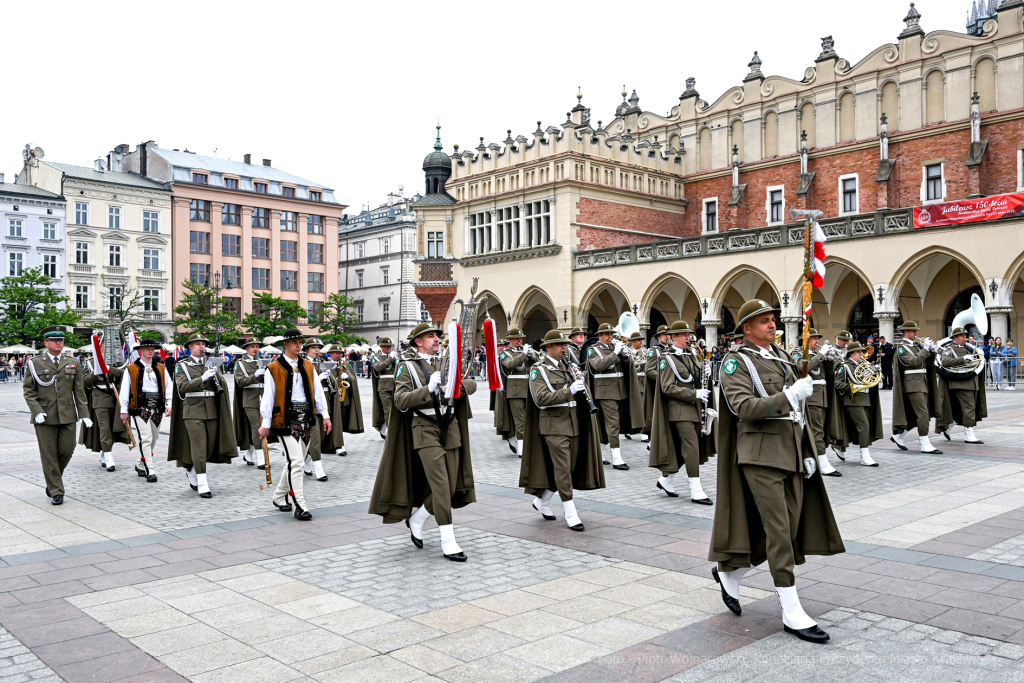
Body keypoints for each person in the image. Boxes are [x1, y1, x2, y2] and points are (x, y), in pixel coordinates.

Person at [709, 300, 843, 645]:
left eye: (772, 320)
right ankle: (791, 610)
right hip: (760, 455)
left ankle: (730, 571)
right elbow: (743, 407)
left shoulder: (780, 356)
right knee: (780, 532)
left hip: (790, 452)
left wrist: (807, 451)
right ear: (746, 329)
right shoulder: (736, 361)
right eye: (764, 321)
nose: (772, 325)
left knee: (789, 525)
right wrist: (788, 395)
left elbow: (798, 414)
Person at [368, 322, 477, 561]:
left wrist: (457, 385)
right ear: (418, 341)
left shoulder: (445, 362)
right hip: (424, 427)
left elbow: (472, 382)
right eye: (431, 337)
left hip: (450, 427)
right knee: (439, 484)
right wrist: (428, 389)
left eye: (437, 336)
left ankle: (417, 518)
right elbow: (400, 400)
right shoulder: (406, 366)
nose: (437, 340)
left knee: (448, 486)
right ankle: (449, 542)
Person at [520, 329, 604, 530]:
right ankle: (570, 511)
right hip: (553, 425)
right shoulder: (538, 370)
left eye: (565, 345)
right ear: (548, 347)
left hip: (573, 423)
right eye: (560, 345)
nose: (564, 348)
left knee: (569, 468)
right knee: (563, 469)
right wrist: (570, 391)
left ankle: (542, 501)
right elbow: (540, 399)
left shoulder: (569, 366)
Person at [259, 329, 331, 520]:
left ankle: (278, 496)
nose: (298, 345)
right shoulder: (273, 368)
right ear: (285, 344)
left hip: (306, 417)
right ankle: (300, 505)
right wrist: (266, 422)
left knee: (294, 461)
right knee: (297, 462)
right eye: (294, 342)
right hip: (284, 419)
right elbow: (268, 396)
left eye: (299, 342)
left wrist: (325, 415)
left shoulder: (308, 365)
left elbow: (317, 392)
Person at [649, 321, 715, 503]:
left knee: (684, 449)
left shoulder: (690, 355)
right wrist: (694, 393)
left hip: (694, 408)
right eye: (684, 334)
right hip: (678, 410)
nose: (688, 338)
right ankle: (696, 489)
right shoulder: (667, 358)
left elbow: (695, 377)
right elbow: (667, 387)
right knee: (692, 447)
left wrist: (706, 372)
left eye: (688, 334)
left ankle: (665, 479)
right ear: (673, 337)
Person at [24, 327, 90, 505]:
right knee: (49, 454)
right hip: (45, 416)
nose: (58, 342)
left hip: (68, 415)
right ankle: (56, 490)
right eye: (54, 340)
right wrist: (36, 411)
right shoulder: (35, 363)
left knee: (67, 449)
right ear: (46, 343)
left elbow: (79, 391)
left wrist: (84, 414)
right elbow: (29, 391)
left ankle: (53, 480)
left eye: (60, 340)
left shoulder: (73, 362)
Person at [168, 333, 236, 497]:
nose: (201, 347)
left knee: (208, 446)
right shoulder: (182, 366)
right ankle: (203, 482)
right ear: (190, 347)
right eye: (197, 344)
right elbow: (182, 387)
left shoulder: (211, 364)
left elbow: (222, 386)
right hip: (193, 410)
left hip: (211, 409)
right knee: (199, 446)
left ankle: (191, 468)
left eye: (203, 344)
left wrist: (216, 375)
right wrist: (202, 378)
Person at [587, 322, 644, 469]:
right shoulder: (593, 350)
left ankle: (598, 454)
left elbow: (625, 367)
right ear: (599, 336)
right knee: (613, 425)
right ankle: (617, 458)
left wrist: (626, 357)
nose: (610, 337)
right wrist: (615, 354)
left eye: (611, 334)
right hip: (605, 392)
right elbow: (599, 366)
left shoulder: (615, 348)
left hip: (620, 390)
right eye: (606, 334)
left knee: (612, 424)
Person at [119, 338, 172, 483]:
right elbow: (124, 390)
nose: (150, 351)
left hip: (157, 407)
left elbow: (169, 386)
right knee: (146, 438)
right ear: (139, 351)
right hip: (139, 407)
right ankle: (150, 469)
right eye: (147, 348)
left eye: (152, 348)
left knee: (153, 438)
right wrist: (124, 410)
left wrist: (169, 404)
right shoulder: (131, 369)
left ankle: (139, 463)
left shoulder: (161, 367)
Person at [791, 329, 840, 476]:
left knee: (821, 430)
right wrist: (820, 355)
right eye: (814, 339)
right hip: (811, 398)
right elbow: (802, 369)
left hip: (822, 397)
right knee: (817, 431)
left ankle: (813, 458)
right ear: (805, 340)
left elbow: (830, 375)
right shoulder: (799, 353)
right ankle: (823, 464)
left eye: (817, 339)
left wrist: (830, 361)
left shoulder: (816, 355)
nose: (817, 342)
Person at [890, 321, 942, 454]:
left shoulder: (916, 346)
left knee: (916, 414)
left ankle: (898, 436)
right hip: (912, 384)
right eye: (913, 331)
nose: (916, 334)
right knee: (923, 414)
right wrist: (925, 349)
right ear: (906, 332)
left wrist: (932, 351)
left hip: (922, 383)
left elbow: (928, 363)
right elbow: (914, 362)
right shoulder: (902, 348)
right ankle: (924, 443)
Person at [81, 344, 130, 472]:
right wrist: (94, 374)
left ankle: (105, 451)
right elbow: (83, 381)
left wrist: (108, 368)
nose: (106, 349)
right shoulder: (90, 362)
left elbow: (125, 374)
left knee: (115, 428)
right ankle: (109, 456)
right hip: (99, 398)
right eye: (103, 346)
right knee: (104, 427)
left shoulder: (117, 361)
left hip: (116, 398)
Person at [833, 342, 884, 467]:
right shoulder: (844, 366)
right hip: (853, 400)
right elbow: (837, 383)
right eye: (858, 352)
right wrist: (851, 388)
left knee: (855, 428)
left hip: (865, 399)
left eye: (861, 352)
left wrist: (876, 372)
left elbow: (871, 381)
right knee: (864, 426)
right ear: (851, 353)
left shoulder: (863, 365)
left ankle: (839, 446)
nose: (861, 354)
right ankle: (865, 456)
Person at [937, 326, 988, 444]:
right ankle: (969, 435)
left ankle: (949, 427)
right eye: (962, 335)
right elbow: (945, 362)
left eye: (965, 335)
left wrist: (979, 354)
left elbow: (976, 361)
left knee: (964, 409)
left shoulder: (968, 348)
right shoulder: (949, 348)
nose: (965, 337)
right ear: (955, 337)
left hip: (971, 382)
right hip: (960, 383)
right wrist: (963, 359)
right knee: (969, 408)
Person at [320, 343, 364, 458]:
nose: (338, 355)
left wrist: (347, 377)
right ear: (330, 354)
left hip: (344, 398)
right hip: (331, 398)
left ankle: (338, 443)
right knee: (334, 421)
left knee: (342, 421)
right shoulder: (324, 365)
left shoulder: (345, 364)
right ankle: (339, 445)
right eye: (336, 353)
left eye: (340, 353)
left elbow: (353, 378)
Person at [498, 327, 533, 456]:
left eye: (520, 338)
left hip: (528, 388)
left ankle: (528, 444)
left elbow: (535, 364)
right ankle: (522, 447)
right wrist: (523, 354)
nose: (519, 340)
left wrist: (531, 355)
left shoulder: (524, 351)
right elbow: (510, 365)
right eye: (517, 338)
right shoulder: (505, 353)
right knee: (520, 420)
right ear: (510, 340)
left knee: (529, 418)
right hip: (515, 390)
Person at [233, 339, 268, 468]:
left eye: (257, 346)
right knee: (257, 427)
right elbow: (240, 382)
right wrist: (255, 375)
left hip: (264, 398)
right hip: (250, 399)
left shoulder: (263, 362)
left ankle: (248, 453)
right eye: (252, 346)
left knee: (263, 426)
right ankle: (261, 458)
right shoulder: (240, 363)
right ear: (246, 348)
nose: (255, 349)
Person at [642, 325, 671, 444]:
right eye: (664, 334)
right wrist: (664, 379)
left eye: (668, 334)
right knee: (657, 415)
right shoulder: (654, 351)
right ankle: (653, 441)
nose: (667, 336)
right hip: (658, 387)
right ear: (658, 337)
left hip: (669, 388)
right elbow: (649, 370)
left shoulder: (671, 349)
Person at [370, 338, 398, 439]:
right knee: (388, 410)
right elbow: (378, 368)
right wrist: (390, 359)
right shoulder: (376, 357)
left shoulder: (395, 356)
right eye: (386, 346)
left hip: (396, 386)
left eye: (390, 346)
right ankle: (391, 433)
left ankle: (393, 430)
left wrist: (397, 360)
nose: (388, 348)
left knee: (398, 409)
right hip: (384, 387)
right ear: (381, 347)